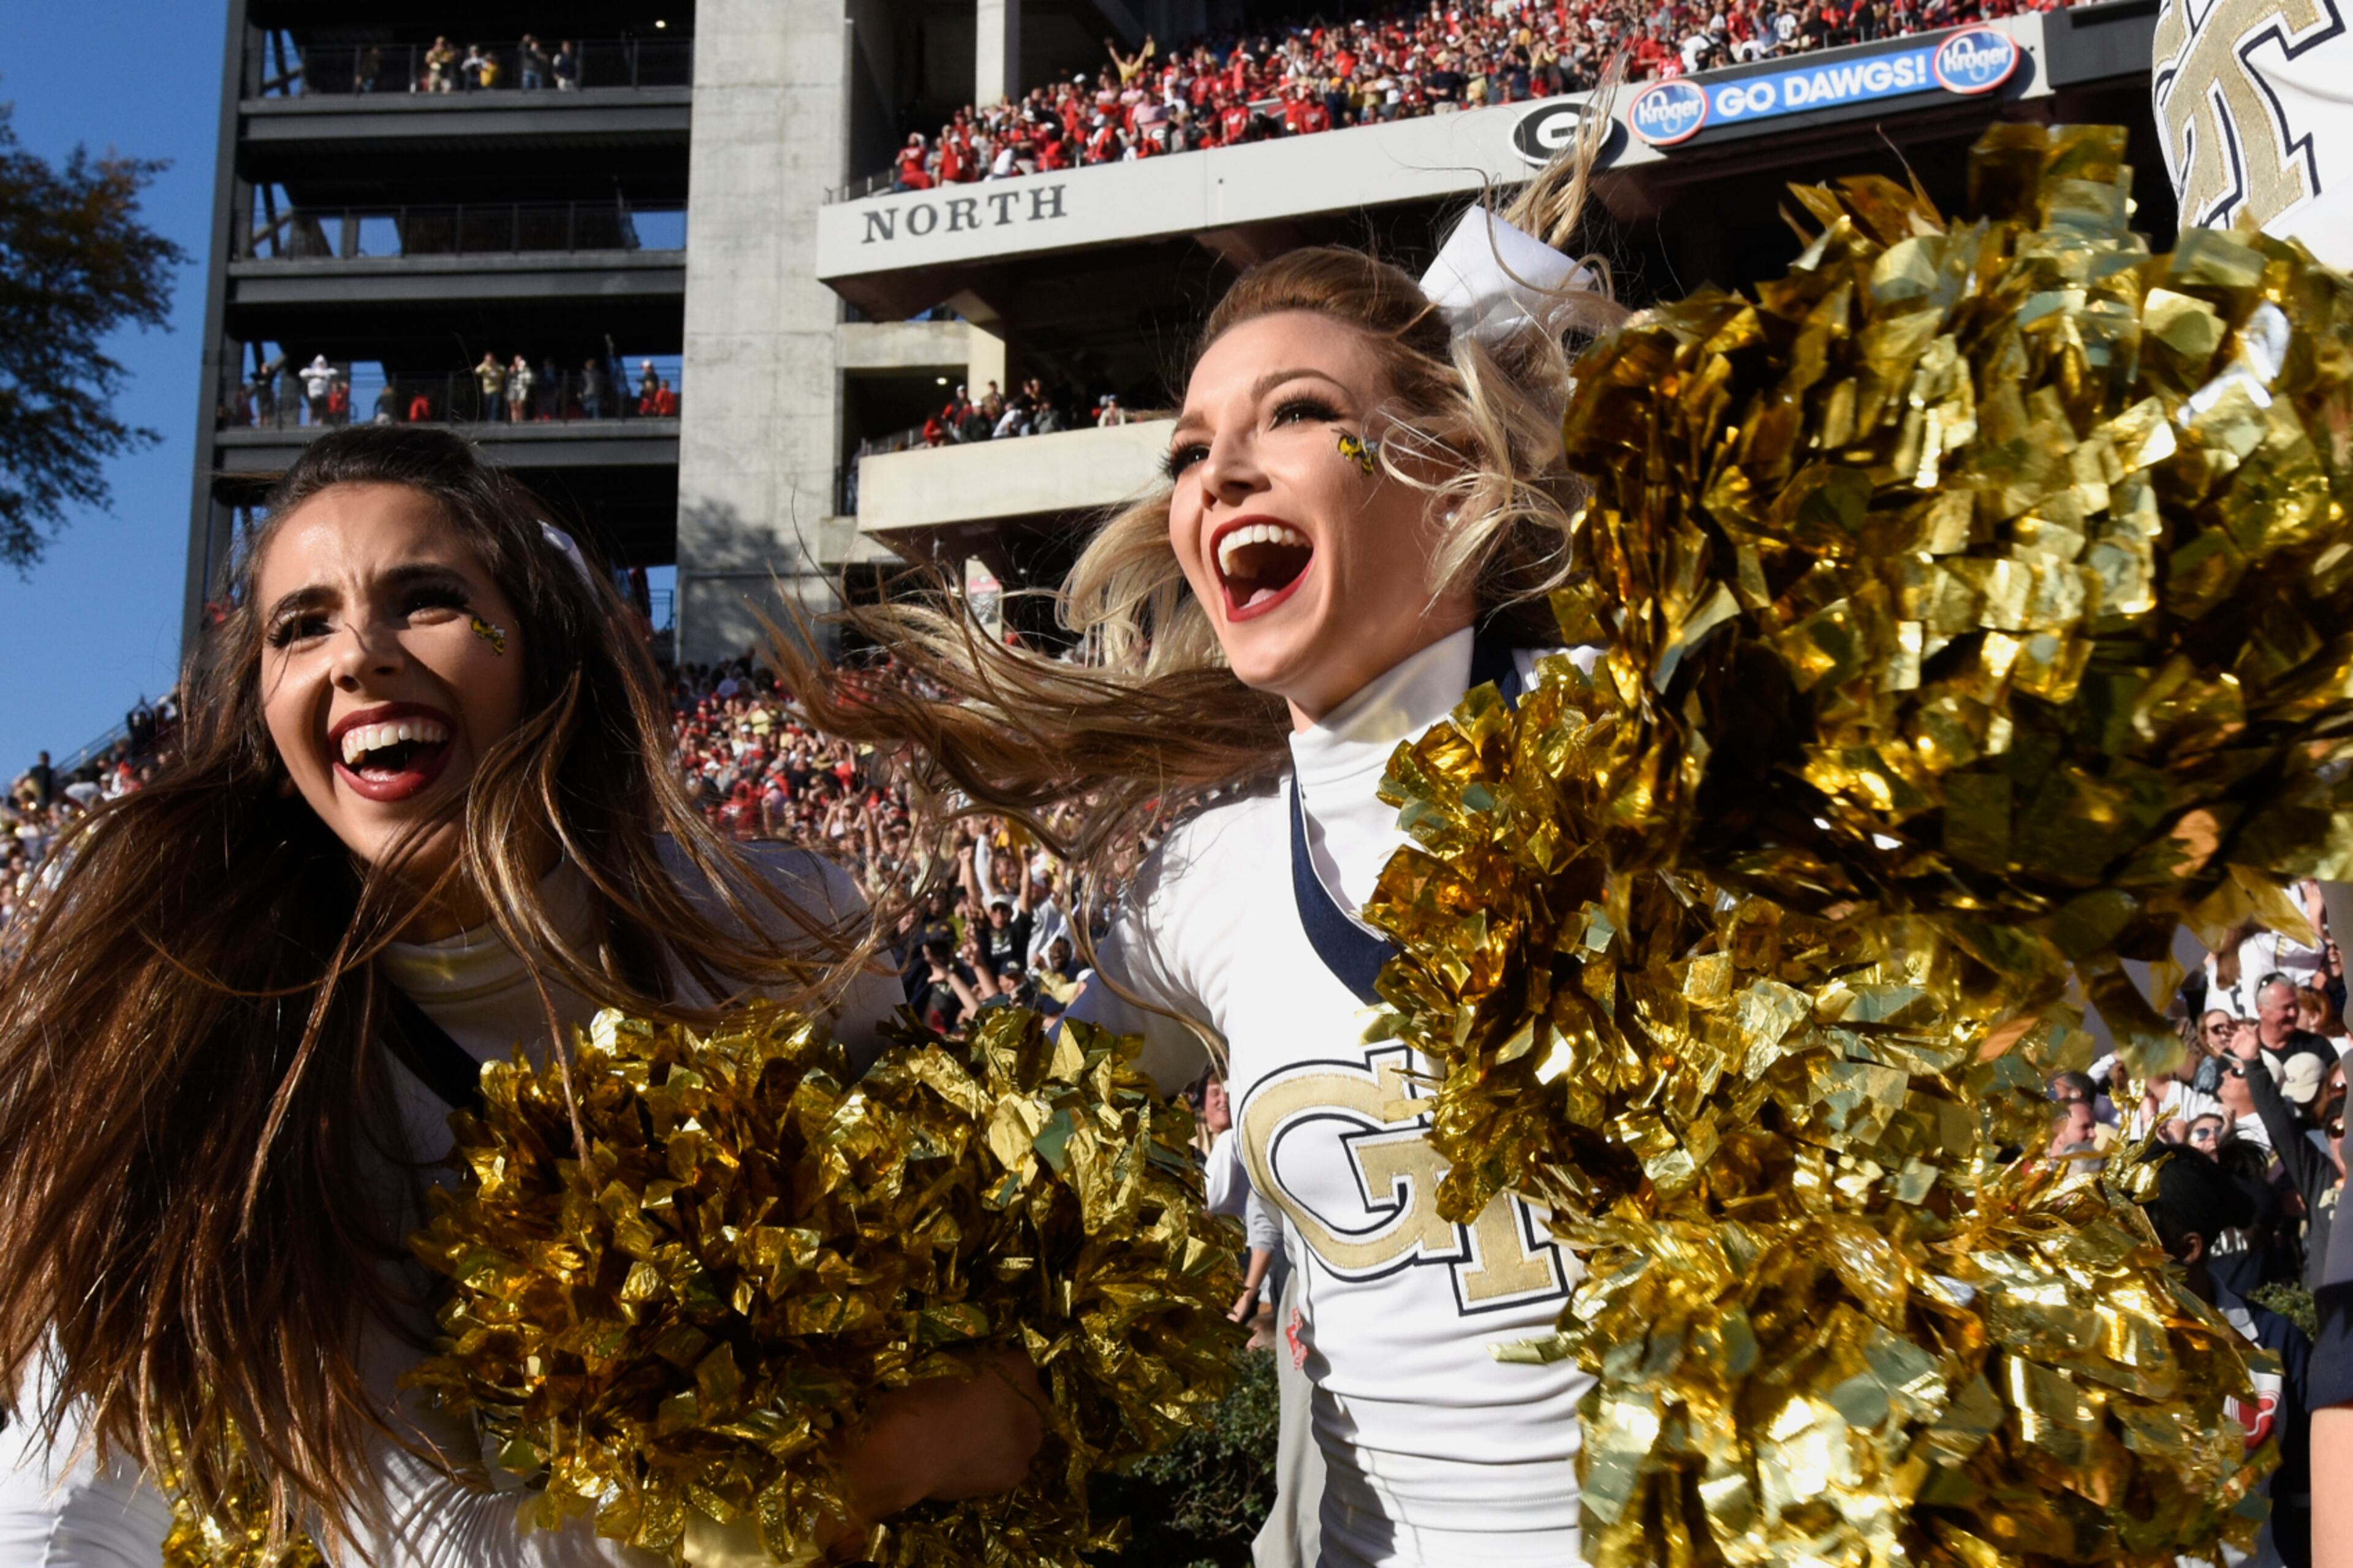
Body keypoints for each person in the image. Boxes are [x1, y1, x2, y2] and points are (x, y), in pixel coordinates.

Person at [781, 128, 1623, 1566]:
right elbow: (1001, 1166)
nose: (1218, 473)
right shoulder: (1200, 883)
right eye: (1185, 452)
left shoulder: (1653, 757)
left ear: (1447, 464)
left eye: (1292, 413)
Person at [0, 427, 1042, 1565]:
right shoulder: (207, 1031)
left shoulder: (777, 930)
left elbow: (973, 1306)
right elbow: (410, 1544)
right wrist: (875, 1464)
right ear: (262, 704)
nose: (358, 656)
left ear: (539, 646)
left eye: (429, 599)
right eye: (302, 626)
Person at [2139, 1146, 2313, 1568]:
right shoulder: (2097, 1349)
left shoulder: (2275, 1343)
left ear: (2189, 1249)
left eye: (2129, 1236)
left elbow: (2307, 1504)